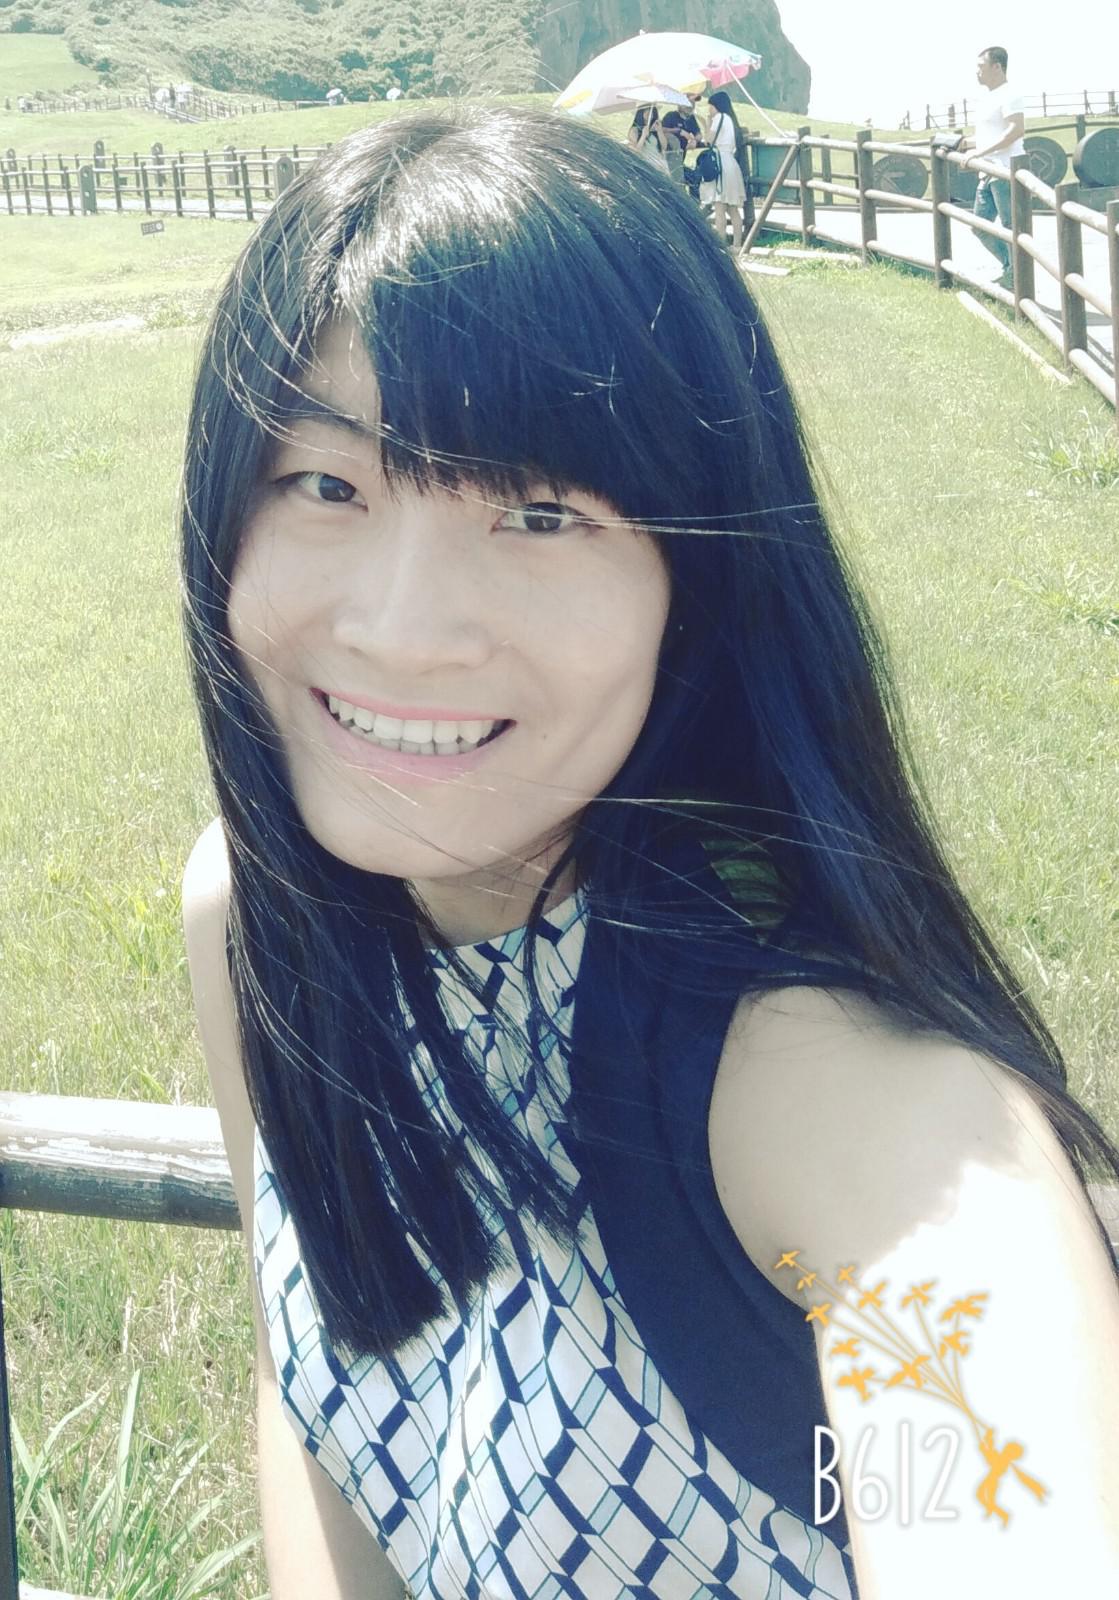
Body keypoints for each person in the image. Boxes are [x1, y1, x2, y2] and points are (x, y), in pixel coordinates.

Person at [180, 106, 1119, 1599]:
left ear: (700, 578)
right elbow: (317, 1394)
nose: (403, 629)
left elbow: (999, 1461)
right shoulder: (255, 926)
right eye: (328, 485)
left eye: (538, 511)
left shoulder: (835, 1093)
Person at [964, 46, 1026, 288]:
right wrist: (961, 143)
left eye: (981, 66)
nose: (977, 72)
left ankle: (1017, 277)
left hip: (1005, 168)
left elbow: (1016, 130)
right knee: (979, 226)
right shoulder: (986, 98)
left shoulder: (1010, 94)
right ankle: (1011, 268)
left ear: (997, 67)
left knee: (1011, 226)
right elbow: (988, 135)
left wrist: (980, 152)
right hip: (988, 171)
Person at [699, 89, 749, 250]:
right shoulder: (729, 119)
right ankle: (737, 244)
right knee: (732, 208)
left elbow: (709, 140)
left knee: (719, 206)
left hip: (721, 163)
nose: (709, 109)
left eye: (710, 106)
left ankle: (721, 243)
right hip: (730, 162)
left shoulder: (719, 118)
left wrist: (706, 123)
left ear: (716, 106)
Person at [661, 91, 703, 192]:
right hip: (668, 159)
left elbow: (698, 134)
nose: (691, 105)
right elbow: (662, 129)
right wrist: (679, 131)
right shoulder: (671, 116)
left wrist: (694, 140)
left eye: (693, 103)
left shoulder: (691, 119)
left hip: (680, 160)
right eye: (689, 102)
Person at [626, 103, 670, 174]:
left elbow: (664, 146)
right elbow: (635, 151)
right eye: (646, 111)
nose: (649, 113)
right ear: (640, 113)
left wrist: (659, 131)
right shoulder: (634, 130)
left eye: (651, 111)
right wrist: (643, 136)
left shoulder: (655, 128)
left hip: (659, 164)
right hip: (645, 165)